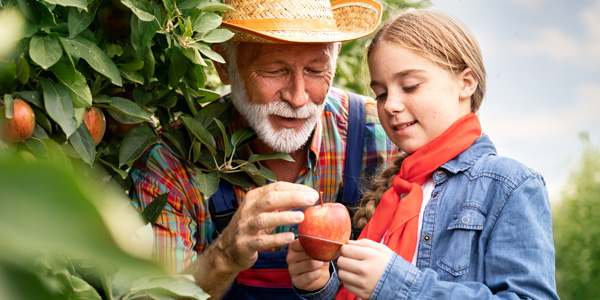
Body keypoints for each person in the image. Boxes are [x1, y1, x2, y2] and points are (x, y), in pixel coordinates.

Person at [129, 0, 396, 299]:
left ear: (335, 58)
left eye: (315, 70)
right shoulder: (171, 163)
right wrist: (225, 257)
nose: (297, 97)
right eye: (274, 70)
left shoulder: (382, 134)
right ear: (223, 66)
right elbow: (153, 295)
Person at [287, 9, 560, 300]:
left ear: (466, 83)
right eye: (380, 93)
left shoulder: (511, 186)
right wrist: (319, 286)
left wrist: (399, 285)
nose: (390, 105)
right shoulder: (391, 191)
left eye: (410, 86)